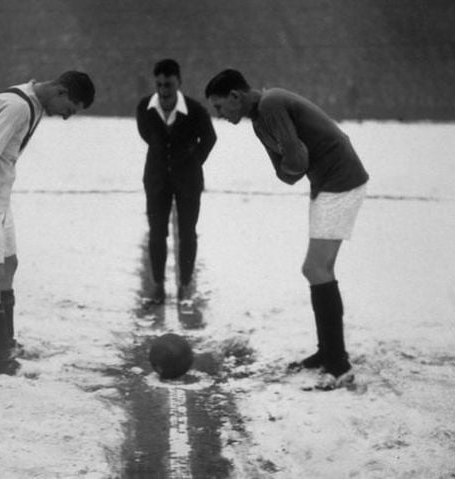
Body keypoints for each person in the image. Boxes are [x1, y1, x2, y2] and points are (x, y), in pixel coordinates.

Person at [204, 69, 368, 390]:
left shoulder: (271, 105)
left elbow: (293, 162)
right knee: (320, 268)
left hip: (340, 181)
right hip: (329, 182)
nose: (220, 115)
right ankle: (328, 352)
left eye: (220, 107)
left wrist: (293, 163)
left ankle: (339, 364)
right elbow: (289, 171)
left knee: (315, 268)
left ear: (236, 97)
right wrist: (293, 163)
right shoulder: (261, 118)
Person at [0, 71, 95, 375]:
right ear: (61, 92)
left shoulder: (33, 101)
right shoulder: (17, 107)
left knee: (9, 263)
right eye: (69, 110)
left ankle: (7, 342)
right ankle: (0, 360)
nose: (66, 118)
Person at [136, 59, 217, 304]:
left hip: (188, 181)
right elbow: (147, 135)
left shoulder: (195, 110)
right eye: (159, 84)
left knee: (187, 233)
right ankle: (158, 286)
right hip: (156, 179)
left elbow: (210, 138)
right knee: (157, 233)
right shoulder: (144, 108)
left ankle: (184, 286)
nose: (163, 90)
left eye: (168, 84)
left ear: (178, 82)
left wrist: (192, 162)